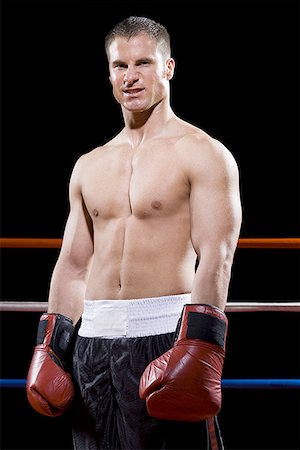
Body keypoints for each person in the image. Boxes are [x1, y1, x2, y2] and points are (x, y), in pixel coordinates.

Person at [26, 15, 242, 450]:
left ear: (169, 67)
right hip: (92, 345)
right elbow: (72, 264)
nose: (131, 77)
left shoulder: (203, 154)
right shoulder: (89, 163)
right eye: (120, 66)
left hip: (165, 337)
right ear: (108, 73)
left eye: (143, 63)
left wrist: (199, 347)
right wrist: (49, 346)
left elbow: (217, 254)